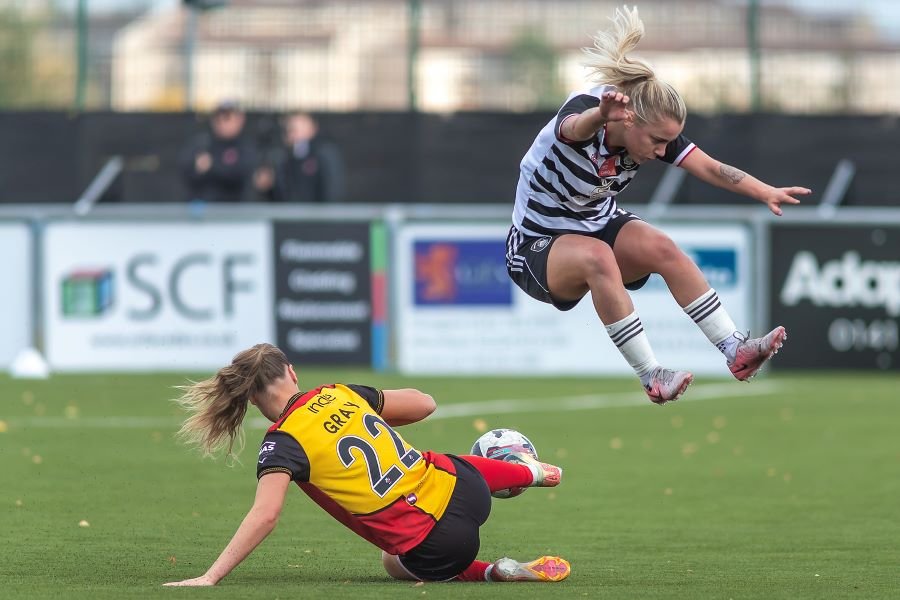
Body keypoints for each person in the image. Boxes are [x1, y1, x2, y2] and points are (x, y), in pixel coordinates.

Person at [506, 6, 809, 404]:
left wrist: (763, 191)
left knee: (662, 248)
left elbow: (713, 169)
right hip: (535, 245)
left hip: (596, 222)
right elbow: (572, 129)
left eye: (669, 142)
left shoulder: (649, 129)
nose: (662, 152)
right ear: (628, 122)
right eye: (656, 142)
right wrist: (600, 115)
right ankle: (652, 375)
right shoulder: (587, 114)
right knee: (597, 256)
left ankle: (734, 349)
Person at [163, 343, 570, 586]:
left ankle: (493, 572)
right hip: (470, 491)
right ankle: (530, 471)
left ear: (251, 398)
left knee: (393, 562)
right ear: (292, 372)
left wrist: (210, 575)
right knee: (440, 463)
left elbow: (266, 515)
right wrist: (363, 410)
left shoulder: (282, 443)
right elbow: (425, 404)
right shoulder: (339, 392)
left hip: (442, 547)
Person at [177, 100, 260, 203]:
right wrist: (198, 169)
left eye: (227, 118)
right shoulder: (202, 143)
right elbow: (186, 172)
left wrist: (212, 166)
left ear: (240, 120)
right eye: (218, 118)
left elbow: (239, 175)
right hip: (205, 212)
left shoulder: (245, 147)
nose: (221, 123)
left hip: (234, 212)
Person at [259, 112, 345, 203]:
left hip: (314, 215)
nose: (290, 133)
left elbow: (332, 190)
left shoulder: (323, 153)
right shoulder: (281, 157)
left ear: (312, 128)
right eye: (288, 129)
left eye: (295, 129)